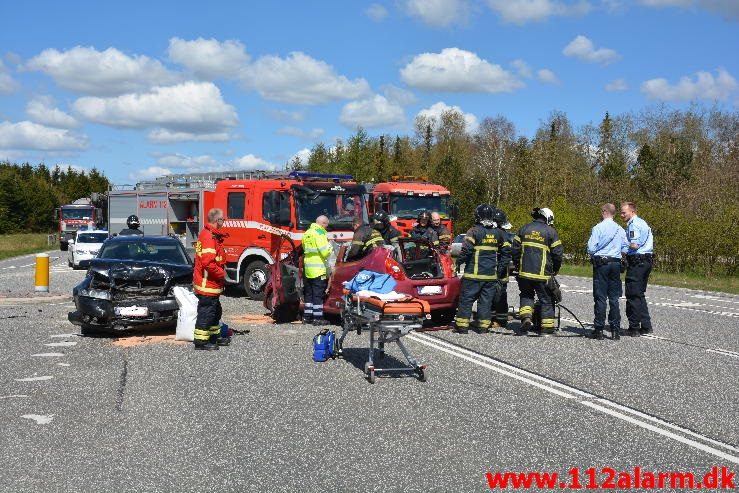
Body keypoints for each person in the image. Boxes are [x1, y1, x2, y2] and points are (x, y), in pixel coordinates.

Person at [452, 204, 511, 334]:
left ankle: (462, 326)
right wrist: (500, 269)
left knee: (466, 300)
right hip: (490, 276)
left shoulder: (474, 231)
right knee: (485, 302)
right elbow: (507, 252)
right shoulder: (498, 233)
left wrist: (457, 263)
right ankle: (483, 327)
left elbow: (466, 250)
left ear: (477, 216)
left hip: (473, 275)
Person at [511, 207, 563, 335]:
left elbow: (515, 249)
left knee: (526, 295)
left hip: (524, 272)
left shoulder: (524, 228)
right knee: (546, 299)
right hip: (542, 274)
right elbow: (558, 254)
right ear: (548, 218)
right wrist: (555, 269)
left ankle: (526, 317)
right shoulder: (551, 232)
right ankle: (547, 329)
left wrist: (518, 264)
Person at [587, 203, 627, 340]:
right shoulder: (620, 229)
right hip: (615, 264)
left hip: (602, 264)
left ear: (604, 212)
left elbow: (591, 248)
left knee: (600, 297)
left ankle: (598, 330)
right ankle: (615, 330)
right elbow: (625, 248)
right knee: (614, 298)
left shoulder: (598, 228)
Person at [193, 208, 228, 350]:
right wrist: (222, 274)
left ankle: (214, 336)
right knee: (206, 313)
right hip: (207, 284)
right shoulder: (209, 237)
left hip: (212, 284)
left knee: (215, 311)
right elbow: (208, 263)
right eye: (223, 219)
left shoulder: (212, 235)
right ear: (217, 220)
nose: (224, 222)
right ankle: (201, 342)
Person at [620, 202, 654, 337]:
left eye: (624, 212)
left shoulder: (633, 225)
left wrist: (621, 247)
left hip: (637, 262)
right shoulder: (642, 222)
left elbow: (634, 245)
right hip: (646, 261)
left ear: (632, 211)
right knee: (639, 294)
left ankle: (633, 328)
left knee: (632, 294)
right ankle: (646, 326)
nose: (622, 215)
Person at [302, 215, 332, 325]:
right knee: (318, 295)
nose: (326, 228)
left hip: (308, 268)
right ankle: (318, 318)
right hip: (318, 269)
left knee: (309, 294)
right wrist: (330, 246)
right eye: (326, 225)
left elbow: (305, 249)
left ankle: (307, 317)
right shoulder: (320, 233)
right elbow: (325, 252)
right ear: (323, 223)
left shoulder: (307, 233)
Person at [491, 208, 514, 329]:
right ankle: (495, 317)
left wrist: (499, 271)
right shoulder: (495, 233)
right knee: (493, 294)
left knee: (499, 294)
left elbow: (506, 255)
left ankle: (500, 320)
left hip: (500, 271)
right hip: (494, 269)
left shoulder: (503, 235)